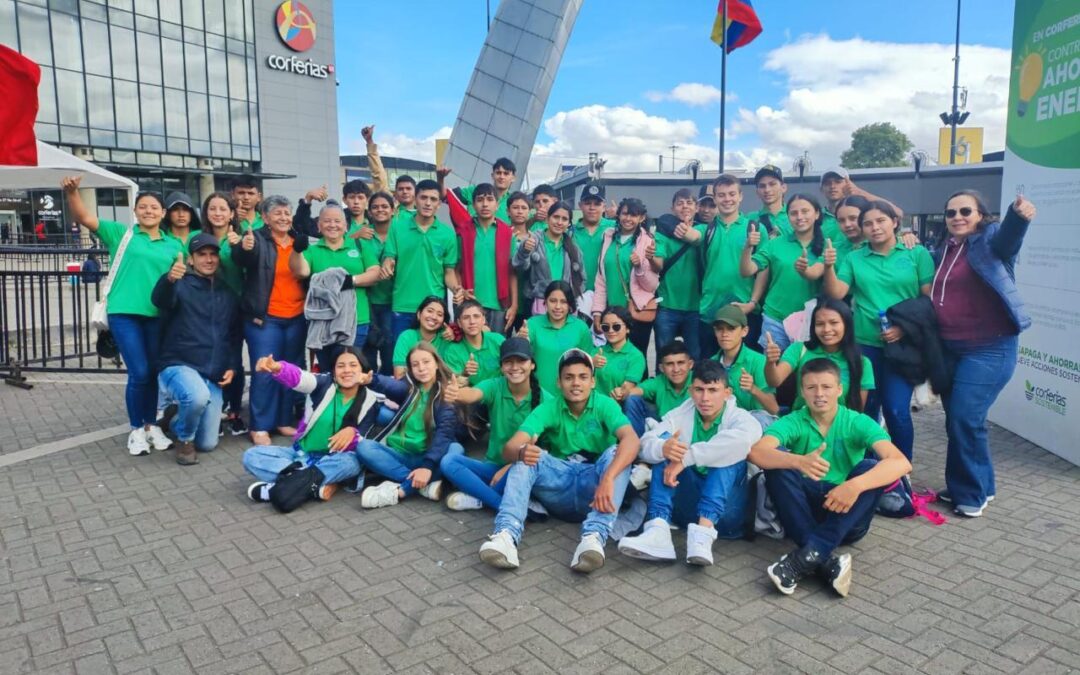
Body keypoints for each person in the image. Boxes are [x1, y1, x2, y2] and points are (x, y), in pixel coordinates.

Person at [749, 358, 911, 597]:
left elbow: (901, 462)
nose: (819, 394)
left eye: (826, 387)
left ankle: (802, 559)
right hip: (807, 512)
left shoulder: (857, 422)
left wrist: (855, 486)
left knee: (870, 468)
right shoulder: (794, 420)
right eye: (811, 387)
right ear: (802, 392)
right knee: (778, 464)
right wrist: (797, 461)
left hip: (847, 516)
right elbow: (756, 452)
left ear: (839, 389)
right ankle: (822, 560)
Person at [479, 348, 639, 573]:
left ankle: (593, 538)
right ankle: (506, 536)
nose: (576, 383)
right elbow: (511, 447)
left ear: (593, 382)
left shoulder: (605, 404)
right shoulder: (549, 407)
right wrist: (521, 452)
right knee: (529, 455)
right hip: (559, 483)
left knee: (617, 452)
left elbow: (632, 440)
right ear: (558, 382)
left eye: (583, 377)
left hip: (594, 489)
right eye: (569, 377)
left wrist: (609, 478)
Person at [61, 175, 184, 455]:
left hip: (157, 316)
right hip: (124, 314)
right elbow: (84, 216)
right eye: (143, 207)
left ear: (163, 213)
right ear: (135, 211)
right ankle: (136, 429)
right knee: (139, 371)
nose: (149, 211)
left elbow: (185, 275)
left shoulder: (175, 245)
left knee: (152, 372)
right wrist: (72, 193)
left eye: (154, 207)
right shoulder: (121, 234)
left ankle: (152, 427)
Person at [931, 192, 1036, 517]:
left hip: (990, 348)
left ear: (980, 215)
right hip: (950, 347)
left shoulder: (989, 241)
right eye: (951, 212)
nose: (957, 216)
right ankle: (978, 485)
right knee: (959, 421)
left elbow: (1008, 241)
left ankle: (971, 495)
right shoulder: (944, 249)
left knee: (966, 417)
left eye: (965, 211)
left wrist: (1017, 217)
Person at [619, 360, 763, 565]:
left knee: (729, 455)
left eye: (713, 390)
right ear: (690, 390)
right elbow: (645, 444)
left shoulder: (741, 419)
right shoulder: (679, 414)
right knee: (667, 447)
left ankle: (703, 534)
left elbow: (742, 442)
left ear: (727, 392)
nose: (705, 398)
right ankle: (658, 530)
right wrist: (663, 448)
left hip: (727, 515)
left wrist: (688, 458)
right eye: (699, 390)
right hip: (686, 512)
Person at [822, 200, 934, 461]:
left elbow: (928, 301)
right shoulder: (854, 257)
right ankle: (867, 464)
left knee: (896, 410)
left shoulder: (916, 254)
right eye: (868, 223)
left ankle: (900, 469)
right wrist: (828, 267)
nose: (874, 227)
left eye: (880, 221)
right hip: (865, 345)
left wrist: (903, 328)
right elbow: (837, 292)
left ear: (895, 222)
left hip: (904, 346)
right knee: (866, 408)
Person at [243, 348, 383, 505]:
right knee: (251, 456)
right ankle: (313, 485)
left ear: (362, 370)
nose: (347, 370)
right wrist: (278, 368)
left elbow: (364, 438)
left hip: (333, 460)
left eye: (353, 365)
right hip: (299, 456)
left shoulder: (371, 400)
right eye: (341, 366)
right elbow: (301, 378)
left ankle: (279, 488)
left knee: (351, 463)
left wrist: (353, 433)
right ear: (334, 371)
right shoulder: (323, 384)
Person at [152, 233, 240, 465]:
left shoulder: (227, 293)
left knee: (208, 444)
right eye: (202, 255)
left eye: (213, 255)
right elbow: (159, 300)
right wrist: (169, 279)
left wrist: (231, 365)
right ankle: (184, 439)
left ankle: (174, 420)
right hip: (179, 364)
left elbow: (232, 335)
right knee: (197, 397)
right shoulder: (179, 285)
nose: (208, 259)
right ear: (191, 259)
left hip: (211, 372)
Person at [439, 337, 549, 511]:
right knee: (448, 461)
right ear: (501, 366)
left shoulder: (546, 400)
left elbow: (543, 453)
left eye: (521, 361)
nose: (515, 367)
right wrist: (456, 394)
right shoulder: (495, 386)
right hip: (492, 465)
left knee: (527, 469)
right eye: (508, 362)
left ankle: (481, 498)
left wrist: (508, 468)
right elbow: (473, 393)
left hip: (523, 469)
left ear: (532, 364)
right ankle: (500, 503)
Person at [231, 195, 306, 446]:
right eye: (277, 214)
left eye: (287, 213)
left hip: (296, 317)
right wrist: (245, 246)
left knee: (288, 369)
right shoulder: (258, 239)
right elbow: (243, 258)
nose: (284, 218)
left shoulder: (298, 240)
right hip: (265, 319)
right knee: (264, 371)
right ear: (265, 217)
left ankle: (283, 420)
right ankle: (260, 425)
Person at [355, 342, 465, 508]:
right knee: (364, 447)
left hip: (426, 455)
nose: (421, 368)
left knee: (456, 450)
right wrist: (372, 379)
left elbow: (444, 433)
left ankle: (403, 489)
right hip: (399, 454)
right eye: (415, 364)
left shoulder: (446, 394)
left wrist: (427, 466)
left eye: (426, 362)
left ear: (436, 363)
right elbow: (391, 385)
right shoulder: (409, 389)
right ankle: (423, 483)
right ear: (411, 369)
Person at [289, 201, 382, 370]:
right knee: (328, 370)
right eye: (327, 221)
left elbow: (375, 273)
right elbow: (301, 272)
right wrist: (296, 251)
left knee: (350, 369)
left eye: (337, 221)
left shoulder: (359, 246)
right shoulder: (312, 250)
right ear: (319, 225)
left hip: (357, 320)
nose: (332, 225)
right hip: (323, 322)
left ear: (346, 226)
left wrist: (351, 281)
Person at [740, 194, 826, 353]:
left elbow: (816, 273)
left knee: (805, 374)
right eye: (793, 213)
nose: (799, 217)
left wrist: (805, 270)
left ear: (817, 214)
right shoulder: (775, 243)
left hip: (811, 321)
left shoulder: (826, 244)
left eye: (805, 211)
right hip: (775, 319)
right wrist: (748, 247)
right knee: (773, 372)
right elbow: (747, 270)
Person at [382, 179, 462, 343]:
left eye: (433, 199)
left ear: (439, 204)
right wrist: (386, 264)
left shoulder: (447, 234)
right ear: (415, 199)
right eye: (423, 197)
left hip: (433, 308)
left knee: (429, 361)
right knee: (402, 359)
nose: (427, 203)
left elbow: (449, 272)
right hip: (403, 305)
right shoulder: (397, 227)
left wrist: (456, 289)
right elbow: (389, 257)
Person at [765, 297, 875, 412]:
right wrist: (770, 362)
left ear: (846, 325)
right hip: (801, 422)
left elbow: (857, 410)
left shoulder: (862, 363)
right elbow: (774, 381)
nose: (826, 329)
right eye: (820, 324)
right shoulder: (800, 349)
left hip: (839, 425)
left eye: (833, 323)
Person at [692, 175, 759, 358]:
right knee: (709, 370)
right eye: (721, 195)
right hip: (710, 311)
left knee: (743, 370)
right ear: (715, 199)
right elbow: (692, 235)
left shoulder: (753, 229)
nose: (727, 199)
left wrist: (752, 303)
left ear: (740, 196)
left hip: (743, 311)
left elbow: (763, 271)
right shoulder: (707, 230)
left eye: (731, 194)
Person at [201, 191, 248, 436]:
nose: (217, 213)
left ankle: (235, 412)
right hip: (207, 308)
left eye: (222, 209)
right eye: (212, 208)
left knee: (234, 361)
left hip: (236, 308)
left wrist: (238, 246)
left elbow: (246, 263)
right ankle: (214, 410)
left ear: (231, 213)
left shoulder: (238, 239)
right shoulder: (199, 239)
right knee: (211, 358)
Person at [446, 181, 518, 332]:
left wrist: (514, 304)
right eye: (480, 200)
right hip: (470, 303)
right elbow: (456, 268)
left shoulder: (507, 233)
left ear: (497, 205)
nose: (485, 204)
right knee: (470, 350)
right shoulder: (463, 232)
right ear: (473, 205)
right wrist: (459, 291)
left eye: (490, 200)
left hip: (499, 305)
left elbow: (512, 272)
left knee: (495, 350)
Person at [592, 198, 658, 354]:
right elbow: (601, 279)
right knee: (613, 357)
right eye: (625, 214)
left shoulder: (648, 241)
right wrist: (597, 312)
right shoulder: (608, 237)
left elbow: (651, 285)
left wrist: (639, 266)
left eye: (634, 215)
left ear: (641, 218)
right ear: (618, 215)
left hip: (636, 313)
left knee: (637, 359)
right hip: (612, 313)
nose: (628, 219)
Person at [653, 189, 704, 361]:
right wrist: (650, 256)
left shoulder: (705, 230)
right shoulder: (661, 233)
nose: (685, 207)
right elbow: (658, 265)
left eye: (689, 203)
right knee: (664, 356)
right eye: (680, 203)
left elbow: (697, 238)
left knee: (695, 357)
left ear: (697, 208)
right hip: (667, 306)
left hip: (696, 308)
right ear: (672, 208)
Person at [709, 306, 778, 427]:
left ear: (744, 331)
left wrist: (753, 389)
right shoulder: (711, 363)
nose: (724, 334)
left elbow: (774, 409)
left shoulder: (759, 361)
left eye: (731, 328)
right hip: (724, 422)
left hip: (758, 420)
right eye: (720, 329)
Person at [519, 281, 593, 393]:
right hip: (538, 395)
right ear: (545, 302)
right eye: (553, 301)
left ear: (570, 305)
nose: (558, 306)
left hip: (571, 395)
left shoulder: (581, 328)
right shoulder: (532, 324)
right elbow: (521, 357)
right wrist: (522, 341)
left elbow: (588, 363)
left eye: (563, 302)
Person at [513, 201, 585, 311]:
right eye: (556, 217)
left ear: (569, 223)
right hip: (537, 304)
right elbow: (520, 268)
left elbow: (582, 278)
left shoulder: (574, 249)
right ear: (547, 218)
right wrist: (525, 251)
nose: (559, 222)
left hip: (563, 307)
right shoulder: (533, 241)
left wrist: (572, 296)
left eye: (564, 219)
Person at [616, 340, 694, 437]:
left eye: (681, 363)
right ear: (661, 368)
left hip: (692, 430)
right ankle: (635, 444)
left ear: (690, 364)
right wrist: (621, 393)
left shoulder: (698, 380)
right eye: (670, 364)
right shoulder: (659, 381)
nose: (676, 369)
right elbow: (634, 392)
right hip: (665, 427)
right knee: (632, 400)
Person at [357, 191, 396, 375]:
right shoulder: (363, 233)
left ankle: (388, 393)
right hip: (367, 300)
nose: (380, 210)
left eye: (384, 206)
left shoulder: (400, 232)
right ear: (369, 211)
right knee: (368, 350)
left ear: (393, 210)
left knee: (389, 350)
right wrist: (354, 235)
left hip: (393, 300)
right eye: (375, 207)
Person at [443, 300, 505, 386]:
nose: (472, 322)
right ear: (459, 323)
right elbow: (453, 386)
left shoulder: (498, 340)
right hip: (471, 396)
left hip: (500, 393)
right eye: (466, 317)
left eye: (476, 316)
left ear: (483, 320)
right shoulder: (452, 351)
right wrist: (464, 374)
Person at [392, 295, 454, 378]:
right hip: (411, 387)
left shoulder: (446, 339)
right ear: (419, 314)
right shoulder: (406, 337)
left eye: (439, 314)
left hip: (440, 386)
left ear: (443, 321)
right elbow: (399, 375)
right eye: (430, 311)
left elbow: (451, 375)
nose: (434, 317)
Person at [592, 306, 647, 399]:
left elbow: (627, 388)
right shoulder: (595, 352)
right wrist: (590, 363)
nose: (610, 330)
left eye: (616, 326)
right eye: (605, 327)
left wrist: (620, 392)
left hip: (618, 408)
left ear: (628, 328)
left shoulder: (636, 356)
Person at [573, 182, 616, 296]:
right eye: (587, 203)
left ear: (604, 207)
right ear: (580, 205)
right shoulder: (569, 231)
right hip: (577, 294)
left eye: (597, 204)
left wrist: (620, 215)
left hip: (607, 295)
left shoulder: (615, 228)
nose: (592, 208)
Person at [451, 157, 517, 222]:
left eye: (506, 174)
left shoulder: (515, 203)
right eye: (498, 173)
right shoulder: (475, 191)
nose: (502, 177)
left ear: (513, 178)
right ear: (492, 175)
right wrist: (441, 179)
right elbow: (448, 195)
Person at [507, 191, 533, 331]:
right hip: (505, 300)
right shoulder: (502, 235)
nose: (519, 211)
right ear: (508, 211)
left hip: (528, 300)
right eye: (515, 207)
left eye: (524, 208)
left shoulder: (535, 238)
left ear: (529, 212)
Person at [750, 165, 791, 237]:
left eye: (772, 184)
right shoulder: (750, 219)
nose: (767, 190)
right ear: (757, 192)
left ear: (783, 188)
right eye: (762, 186)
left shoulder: (795, 215)